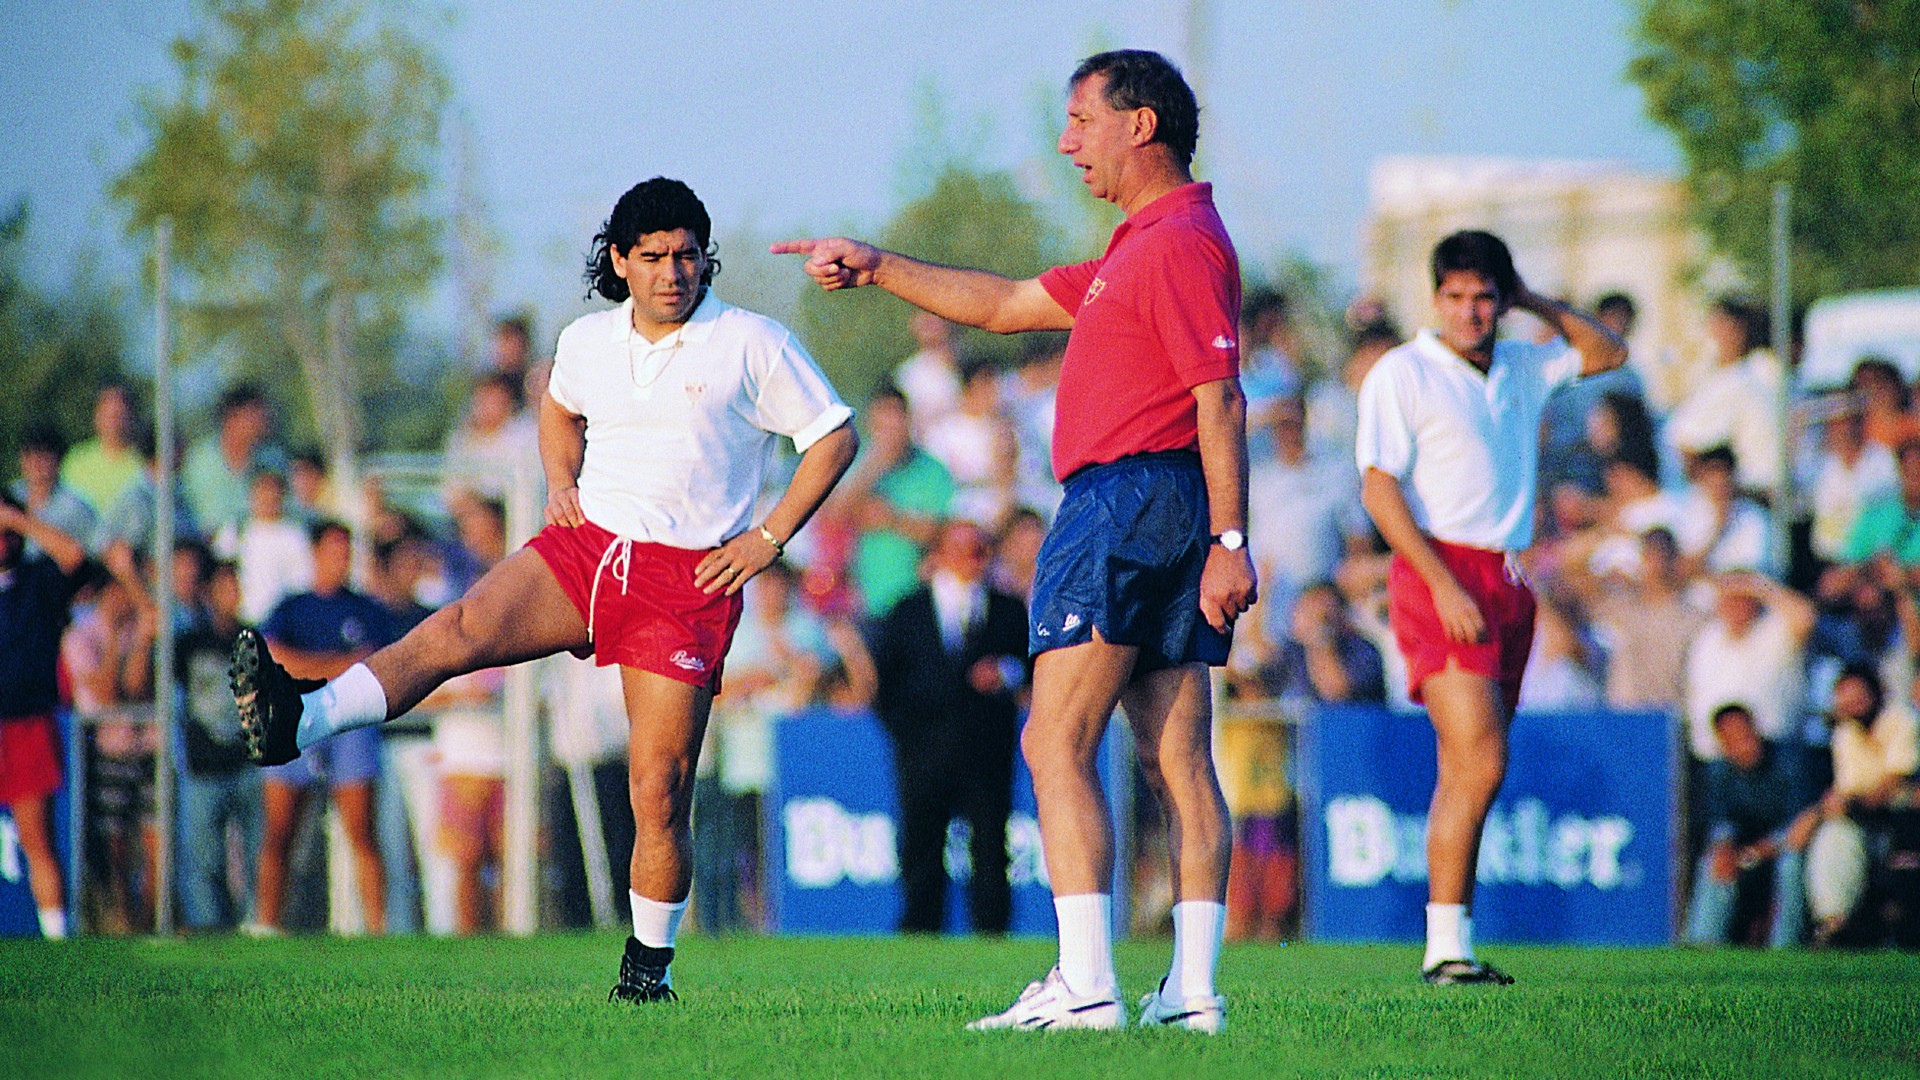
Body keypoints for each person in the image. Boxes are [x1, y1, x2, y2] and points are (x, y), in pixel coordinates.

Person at [231, 178, 858, 1001]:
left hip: (686, 576)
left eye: (688, 255)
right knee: (454, 629)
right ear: (621, 263)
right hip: (586, 547)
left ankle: (647, 973)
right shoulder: (589, 340)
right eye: (654, 257)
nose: (674, 271)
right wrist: (560, 477)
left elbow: (833, 437)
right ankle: (297, 718)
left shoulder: (750, 342)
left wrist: (767, 538)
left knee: (657, 789)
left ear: (706, 259)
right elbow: (557, 409)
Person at [778, 49, 1256, 1032]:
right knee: (1174, 755)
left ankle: (1086, 984)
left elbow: (1222, 396)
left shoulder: (1176, 244)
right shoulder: (1145, 243)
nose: (1066, 139)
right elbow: (1002, 306)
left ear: (1142, 125)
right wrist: (876, 265)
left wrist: (1234, 536)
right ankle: (1193, 994)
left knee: (1052, 736)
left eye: (1082, 119)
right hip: (1162, 506)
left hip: (1124, 505)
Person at [1354, 229, 1627, 984]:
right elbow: (1379, 488)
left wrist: (1531, 296)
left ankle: (1453, 945)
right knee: (1479, 754)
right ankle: (1444, 949)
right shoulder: (1403, 372)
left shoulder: (1523, 362)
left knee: (1472, 766)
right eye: (1457, 297)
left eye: (1485, 298)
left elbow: (1608, 352)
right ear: (1435, 298)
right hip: (1440, 573)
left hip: (1509, 579)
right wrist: (1440, 582)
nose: (1471, 313)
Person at [868, 519, 1029, 935]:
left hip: (986, 747)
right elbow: (886, 683)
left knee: (991, 843)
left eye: (978, 551)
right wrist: (906, 733)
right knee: (922, 843)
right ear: (939, 555)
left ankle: (992, 930)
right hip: (924, 748)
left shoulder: (1008, 609)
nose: (969, 560)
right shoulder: (908, 611)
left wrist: (1005, 674)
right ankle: (921, 929)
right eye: (959, 550)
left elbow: (1031, 665)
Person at [248, 521, 398, 936]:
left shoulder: (367, 609)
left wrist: (313, 667)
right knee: (279, 832)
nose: (342, 560)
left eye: (346, 551)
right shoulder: (291, 607)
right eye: (333, 550)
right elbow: (273, 661)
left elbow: (377, 664)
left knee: (361, 831)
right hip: (296, 720)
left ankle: (377, 929)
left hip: (350, 727)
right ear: (315, 554)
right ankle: (267, 926)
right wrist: (338, 666)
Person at [0, 494, 88, 939]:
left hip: (28, 722)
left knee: (37, 841)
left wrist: (20, 518)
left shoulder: (38, 580)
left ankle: (57, 939)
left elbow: (75, 557)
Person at [173, 555, 265, 931]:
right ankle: (207, 929)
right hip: (204, 764)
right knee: (202, 858)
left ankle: (256, 923)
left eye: (236, 585)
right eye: (224, 586)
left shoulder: (252, 639)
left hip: (248, 761)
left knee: (257, 853)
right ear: (208, 592)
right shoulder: (188, 643)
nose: (233, 594)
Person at [1684, 703, 1818, 947]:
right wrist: (1723, 847)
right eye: (1733, 739)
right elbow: (1721, 821)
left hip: (1791, 848)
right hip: (1748, 853)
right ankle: (1703, 946)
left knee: (1790, 865)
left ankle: (1785, 949)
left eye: (1746, 734)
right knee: (1713, 863)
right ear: (1723, 745)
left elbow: (1800, 825)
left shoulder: (1789, 760)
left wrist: (1758, 851)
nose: (1745, 744)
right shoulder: (1720, 772)